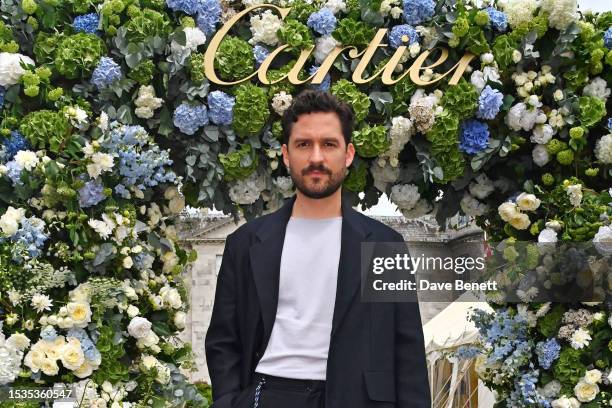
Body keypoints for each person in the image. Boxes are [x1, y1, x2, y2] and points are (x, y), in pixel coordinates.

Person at [205, 89, 431, 408]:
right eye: (303, 144)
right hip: (269, 394)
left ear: (348, 154)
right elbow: (223, 340)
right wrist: (230, 401)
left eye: (328, 144)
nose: (316, 158)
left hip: (359, 399)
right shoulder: (245, 244)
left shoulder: (384, 247)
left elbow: (407, 350)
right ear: (286, 154)